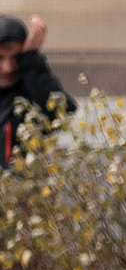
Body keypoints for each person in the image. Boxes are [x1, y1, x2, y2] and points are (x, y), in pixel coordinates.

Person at [0, 14, 73, 170]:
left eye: (16, 57)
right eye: (0, 58)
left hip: (25, 191)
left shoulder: (31, 94)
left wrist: (31, 60)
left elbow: (62, 112)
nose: (8, 68)